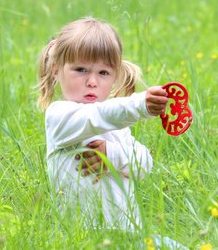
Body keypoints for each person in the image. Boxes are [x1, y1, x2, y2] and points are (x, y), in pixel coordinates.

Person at [37, 18, 187, 249]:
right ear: (57, 69)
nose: (92, 81)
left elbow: (144, 163)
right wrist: (140, 105)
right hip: (84, 238)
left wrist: (112, 156)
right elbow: (97, 116)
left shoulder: (118, 127)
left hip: (129, 234)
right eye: (81, 70)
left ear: (115, 76)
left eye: (104, 73)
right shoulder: (59, 116)